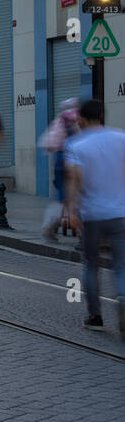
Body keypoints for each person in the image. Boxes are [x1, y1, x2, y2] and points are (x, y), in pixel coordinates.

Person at [62, 99, 125, 336]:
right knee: (121, 266)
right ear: (101, 115)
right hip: (120, 213)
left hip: (91, 215)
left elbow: (74, 179)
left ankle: (95, 315)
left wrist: (71, 211)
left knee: (91, 265)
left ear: (80, 119)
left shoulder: (76, 144)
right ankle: (123, 298)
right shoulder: (121, 138)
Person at [37, 97, 81, 241]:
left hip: (60, 165)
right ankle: (52, 227)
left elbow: (50, 144)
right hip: (72, 166)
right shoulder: (76, 120)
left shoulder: (59, 122)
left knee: (63, 199)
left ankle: (50, 227)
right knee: (74, 199)